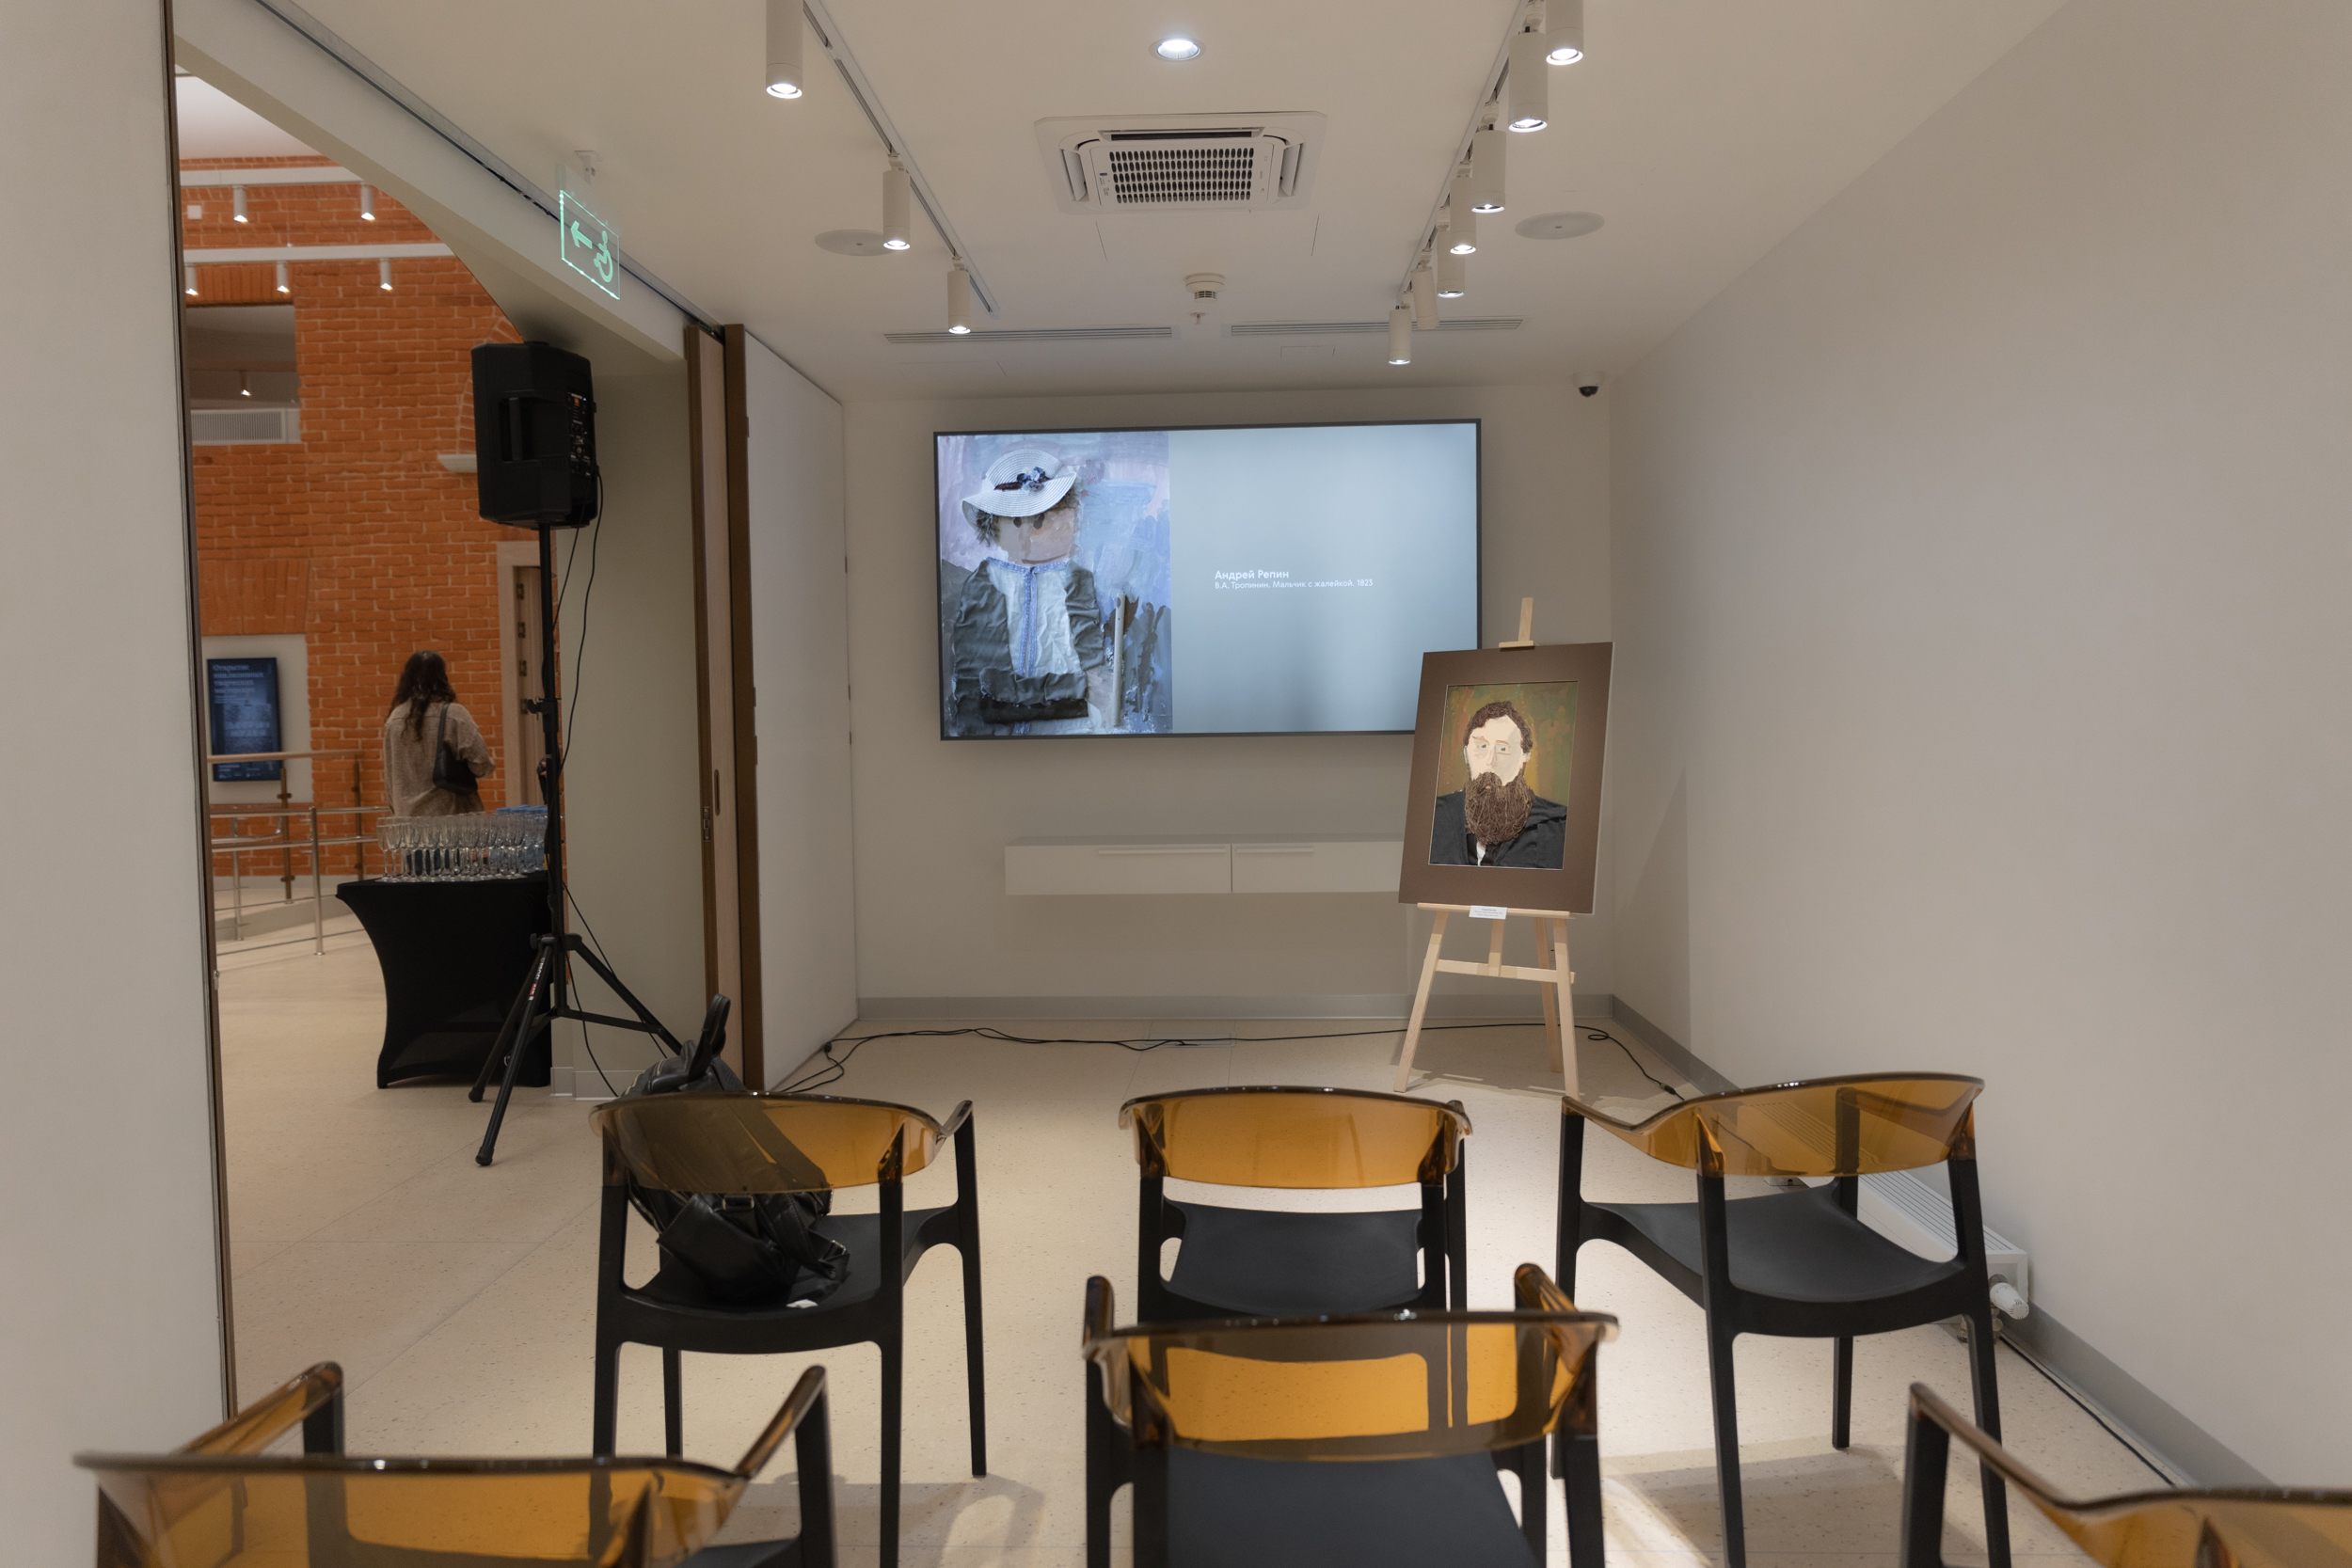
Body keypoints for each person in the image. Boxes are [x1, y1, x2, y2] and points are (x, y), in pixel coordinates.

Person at [945, 448, 1114, 736]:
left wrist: (1091, 689)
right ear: (997, 525)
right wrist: (1077, 687)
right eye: (1020, 521)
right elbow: (979, 679)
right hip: (997, 733)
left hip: (1070, 730)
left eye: (1043, 520)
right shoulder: (983, 582)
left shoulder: (1077, 579)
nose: (1029, 534)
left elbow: (1093, 662)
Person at [1429, 699, 1566, 868]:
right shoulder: (1435, 818)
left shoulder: (1558, 828)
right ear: (1466, 754)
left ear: (1524, 757)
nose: (1490, 762)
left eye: (1503, 749)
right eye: (1481, 746)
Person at [383, 649, 492, 816]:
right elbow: (482, 765)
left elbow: (390, 779)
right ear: (442, 677)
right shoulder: (454, 714)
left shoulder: (394, 719)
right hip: (451, 818)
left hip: (408, 822)